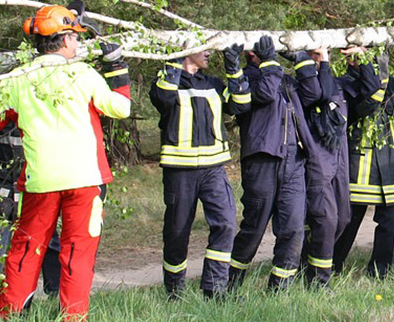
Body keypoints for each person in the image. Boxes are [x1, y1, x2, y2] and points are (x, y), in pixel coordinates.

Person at [0, 4, 132, 319]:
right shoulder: (84, 74)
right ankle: (73, 317)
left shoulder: (18, 78)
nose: (78, 44)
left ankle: (9, 315)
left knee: (25, 251)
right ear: (63, 40)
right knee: (77, 255)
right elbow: (121, 108)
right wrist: (118, 70)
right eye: (75, 38)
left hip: (40, 181)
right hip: (85, 181)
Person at [149, 42, 250, 299]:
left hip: (214, 169)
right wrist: (173, 61)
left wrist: (233, 69)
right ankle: (174, 290)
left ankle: (215, 288)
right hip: (179, 171)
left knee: (226, 224)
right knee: (177, 232)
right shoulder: (167, 80)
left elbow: (241, 105)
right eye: (203, 47)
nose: (208, 53)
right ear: (185, 50)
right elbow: (162, 98)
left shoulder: (213, 84)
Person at [229, 36, 321, 291]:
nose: (273, 55)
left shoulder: (281, 77)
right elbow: (266, 94)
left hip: (294, 162)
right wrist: (269, 61)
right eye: (266, 51)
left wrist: (301, 59)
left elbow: (313, 92)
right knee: (253, 230)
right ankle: (228, 285)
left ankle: (280, 289)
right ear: (252, 55)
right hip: (263, 161)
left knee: (293, 229)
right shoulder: (247, 79)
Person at [333, 49, 394, 279]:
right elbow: (371, 99)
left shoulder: (388, 82)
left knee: (389, 221)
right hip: (362, 167)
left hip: (390, 166)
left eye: (366, 55)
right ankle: (332, 266)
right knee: (350, 220)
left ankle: (380, 272)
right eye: (358, 56)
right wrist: (372, 64)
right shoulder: (345, 83)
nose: (362, 60)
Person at [0, 125, 61, 306]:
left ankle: (57, 296)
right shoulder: (4, 105)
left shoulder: (48, 107)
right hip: (1, 192)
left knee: (48, 241)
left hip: (37, 189)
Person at [299, 47, 351, 287]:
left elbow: (371, 88)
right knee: (327, 220)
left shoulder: (336, 82)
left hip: (339, 159)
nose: (320, 58)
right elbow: (321, 94)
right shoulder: (305, 85)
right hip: (318, 161)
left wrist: (362, 56)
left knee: (342, 220)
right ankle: (319, 281)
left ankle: (306, 261)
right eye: (315, 54)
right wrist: (324, 63)